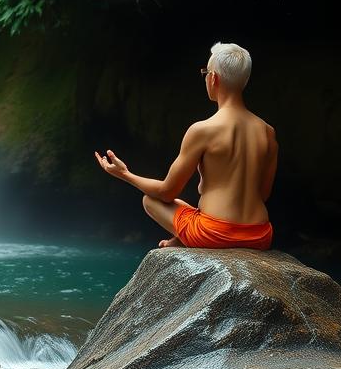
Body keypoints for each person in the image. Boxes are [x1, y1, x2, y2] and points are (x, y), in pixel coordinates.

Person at [94, 42, 277, 250]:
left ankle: (185, 238)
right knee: (186, 210)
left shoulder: (203, 130)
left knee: (150, 200)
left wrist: (125, 174)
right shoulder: (268, 132)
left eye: (205, 73)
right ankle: (181, 239)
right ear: (245, 80)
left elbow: (166, 192)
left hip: (214, 234)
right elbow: (263, 194)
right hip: (259, 235)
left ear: (213, 78)